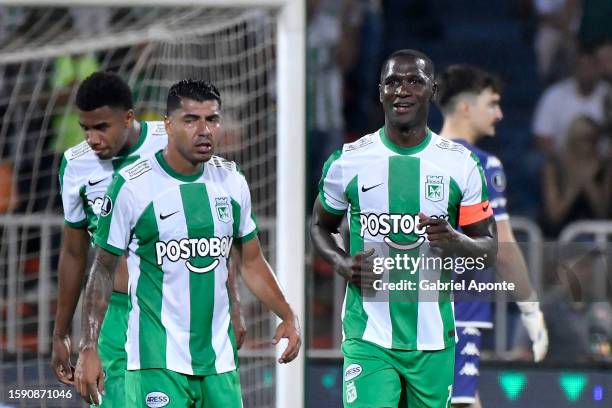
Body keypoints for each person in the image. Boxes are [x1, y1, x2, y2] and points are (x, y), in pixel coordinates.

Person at [74, 79, 301, 407]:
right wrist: (88, 346)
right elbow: (103, 269)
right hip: (156, 360)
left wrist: (287, 314)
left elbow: (250, 261)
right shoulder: (131, 187)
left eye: (212, 119)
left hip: (219, 362)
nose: (204, 130)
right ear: (168, 125)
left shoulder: (232, 182)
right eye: (191, 120)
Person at [311, 49, 497, 408]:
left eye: (415, 81)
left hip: (433, 341)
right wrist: (342, 263)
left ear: (433, 91)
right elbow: (321, 225)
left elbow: (488, 247)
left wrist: (455, 240)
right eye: (393, 82)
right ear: (380, 91)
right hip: (369, 337)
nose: (403, 90)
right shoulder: (348, 161)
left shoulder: (461, 165)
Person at [51, 72, 247, 407]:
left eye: (102, 127)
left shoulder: (172, 139)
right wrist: (61, 333)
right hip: (113, 313)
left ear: (128, 118)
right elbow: (74, 253)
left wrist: (235, 304)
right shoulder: (75, 164)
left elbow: (216, 229)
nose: (93, 138)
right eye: (86, 129)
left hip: (176, 313)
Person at [436, 64, 549, 408]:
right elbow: (502, 248)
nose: (500, 114)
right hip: (457, 312)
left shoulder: (409, 158)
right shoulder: (481, 164)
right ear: (466, 107)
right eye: (492, 103)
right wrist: (530, 308)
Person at [541, 115, 612, 236]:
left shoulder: (605, 167)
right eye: (584, 139)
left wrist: (589, 181)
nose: (588, 145)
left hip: (597, 234)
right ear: (572, 140)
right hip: (559, 234)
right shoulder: (554, 167)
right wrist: (575, 185)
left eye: (593, 139)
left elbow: (603, 213)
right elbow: (554, 216)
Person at [532, 48, 609, 156]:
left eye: (591, 66)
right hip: (562, 159)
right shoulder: (554, 94)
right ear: (574, 69)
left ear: (598, 69)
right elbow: (541, 137)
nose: (586, 71)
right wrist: (563, 162)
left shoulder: (608, 94)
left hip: (602, 161)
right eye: (582, 66)